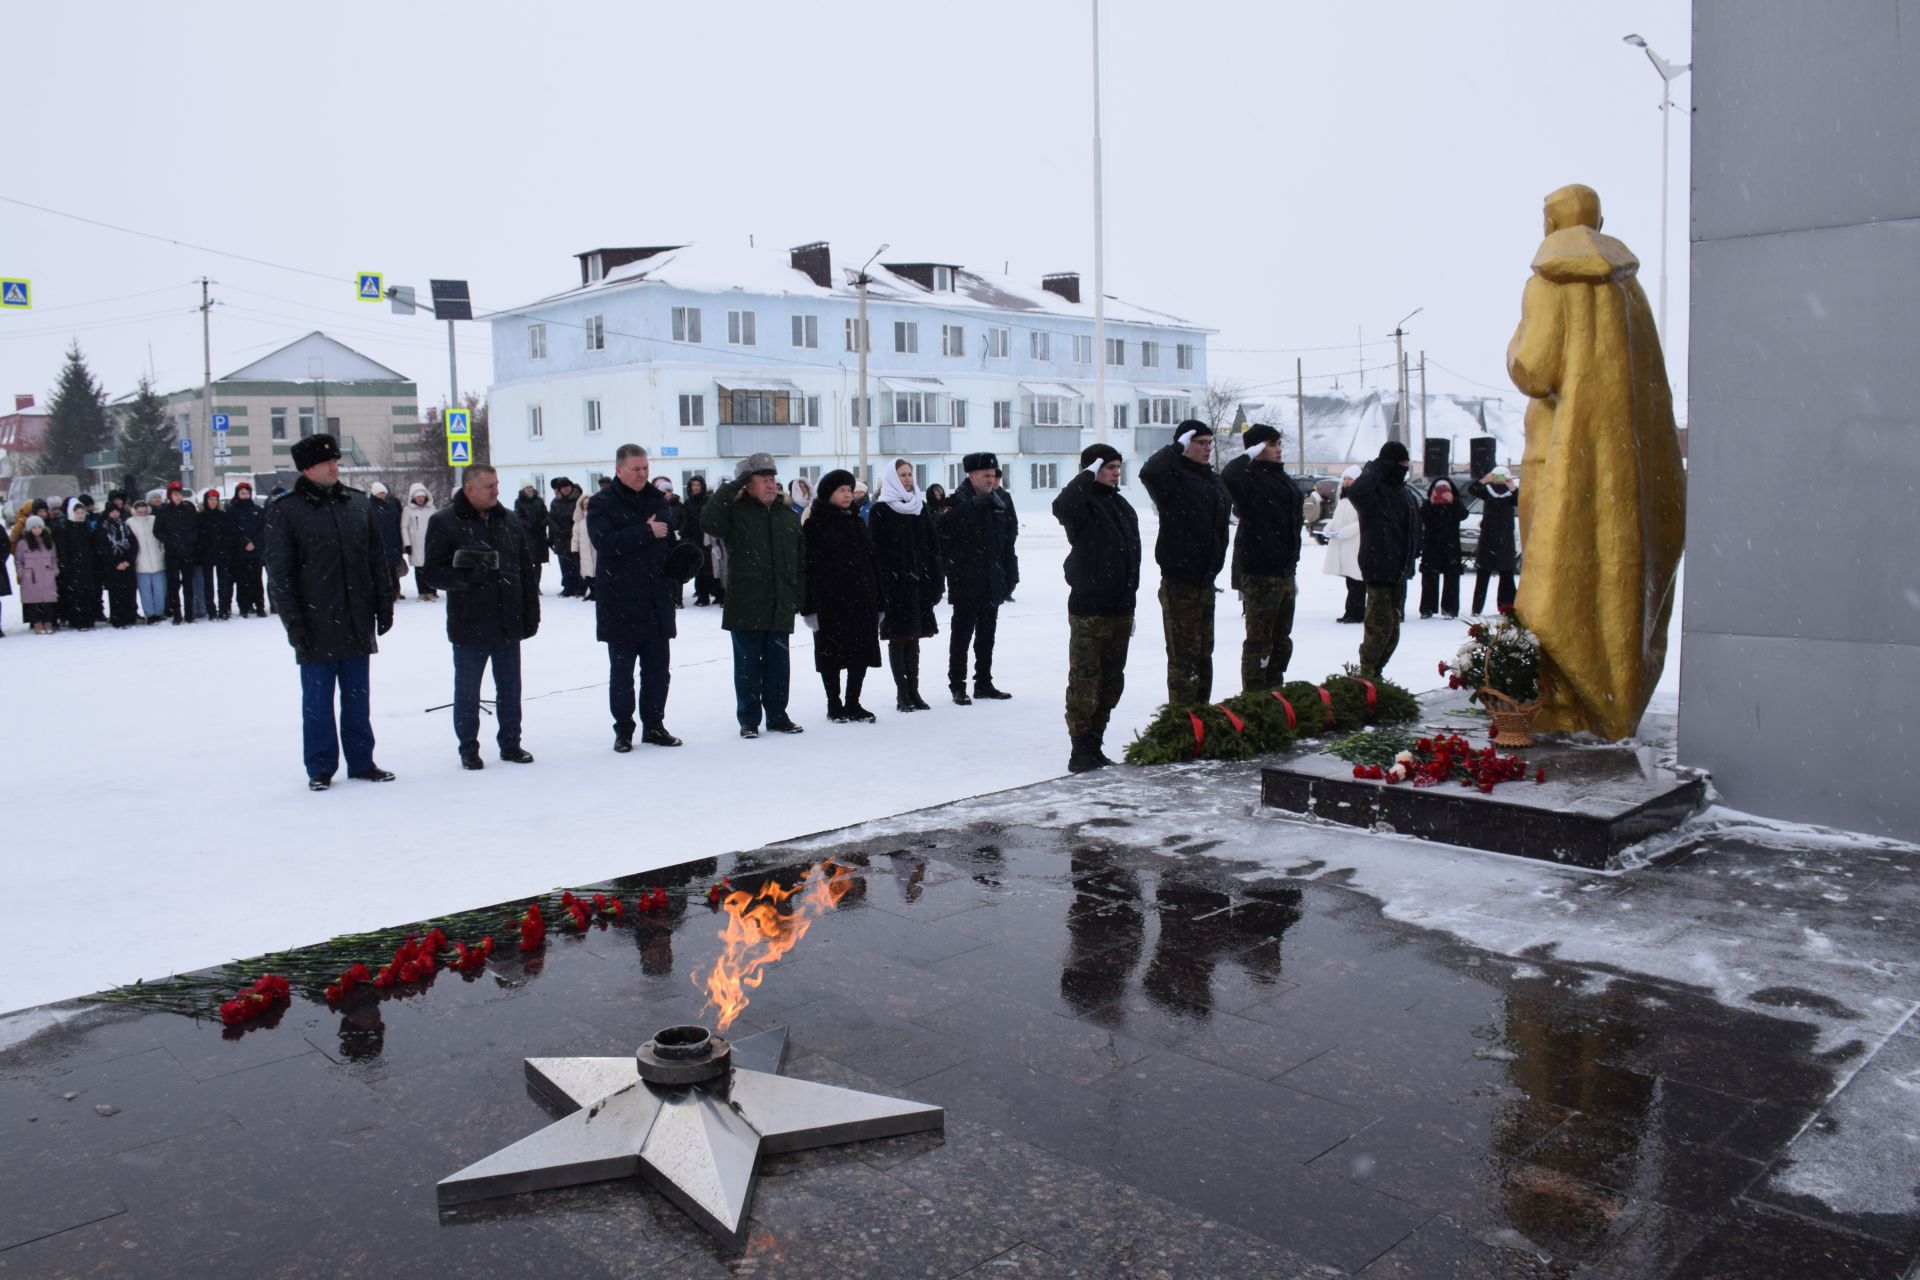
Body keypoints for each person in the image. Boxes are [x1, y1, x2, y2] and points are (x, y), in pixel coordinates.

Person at [1507, 182, 1685, 738]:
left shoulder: (1547, 283)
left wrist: (1513, 346)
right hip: (1617, 465)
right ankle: (1609, 700)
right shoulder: (1629, 293)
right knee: (1613, 572)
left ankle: (1560, 704)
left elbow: (1534, 369)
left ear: (1552, 223)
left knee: (1554, 578)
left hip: (1555, 458)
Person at [262, 434, 397, 791]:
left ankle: (362, 762)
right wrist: (294, 623)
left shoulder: (356, 504)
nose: (335, 467)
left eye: (337, 461)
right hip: (314, 620)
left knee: (357, 698)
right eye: (327, 463)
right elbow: (280, 575)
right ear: (306, 468)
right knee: (318, 701)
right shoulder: (286, 509)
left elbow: (375, 559)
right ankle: (320, 766)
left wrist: (384, 604)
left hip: (356, 617)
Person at [419, 465, 540, 770]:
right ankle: (468, 748)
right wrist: (465, 577)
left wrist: (530, 612)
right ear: (470, 489)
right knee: (468, 690)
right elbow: (432, 571)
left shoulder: (508, 519)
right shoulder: (444, 521)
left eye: (497, 484)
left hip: (508, 618)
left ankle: (511, 743)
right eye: (489, 486)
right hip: (469, 621)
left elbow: (526, 568)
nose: (496, 491)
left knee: (511, 687)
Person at [702, 452, 806, 738]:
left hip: (780, 602)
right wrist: (731, 486)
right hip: (746, 601)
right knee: (747, 665)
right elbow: (709, 521)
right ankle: (749, 719)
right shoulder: (736, 512)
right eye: (764, 479)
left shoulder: (788, 515)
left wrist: (801, 596)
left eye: (773, 479)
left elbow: (801, 561)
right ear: (748, 484)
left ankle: (778, 715)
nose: (771, 485)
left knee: (778, 664)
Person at [1052, 443, 1141, 772]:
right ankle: (1080, 748)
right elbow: (1061, 504)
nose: (1116, 472)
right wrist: (1087, 474)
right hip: (1090, 609)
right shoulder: (1083, 503)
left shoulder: (1120, 505)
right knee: (1086, 681)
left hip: (1120, 608)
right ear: (1091, 470)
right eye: (1108, 467)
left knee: (1111, 681)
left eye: (1118, 466)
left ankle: (1094, 742)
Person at [588, 445, 682, 752]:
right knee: (622, 673)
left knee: (657, 672)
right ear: (619, 470)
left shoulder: (657, 499)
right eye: (636, 469)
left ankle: (654, 726)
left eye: (645, 468)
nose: (642, 474)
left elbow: (665, 537)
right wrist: (645, 531)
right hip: (619, 600)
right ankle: (624, 730)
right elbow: (605, 543)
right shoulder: (602, 503)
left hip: (656, 599)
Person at [1138, 420, 1232, 708]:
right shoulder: (1172, 478)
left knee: (1204, 654)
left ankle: (1200, 712)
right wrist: (1175, 447)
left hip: (1206, 579)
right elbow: (1149, 471)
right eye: (1200, 442)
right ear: (1185, 443)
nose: (1207, 448)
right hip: (1181, 580)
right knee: (1184, 657)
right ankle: (1183, 718)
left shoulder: (1211, 478)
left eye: (1209, 443)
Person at [1221, 423, 1305, 692]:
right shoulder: (1248, 478)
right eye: (1271, 444)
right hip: (1260, 571)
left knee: (1282, 640)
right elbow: (1228, 476)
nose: (1279, 449)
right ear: (1257, 448)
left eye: (1278, 443)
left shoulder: (1282, 478)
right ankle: (1255, 696)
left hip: (1284, 571)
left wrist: (1291, 565)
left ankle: (1274, 689)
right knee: (1260, 641)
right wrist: (1249, 454)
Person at [936, 451, 1018, 704]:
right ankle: (957, 684)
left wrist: (1009, 573)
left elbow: (1008, 539)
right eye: (985, 475)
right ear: (971, 476)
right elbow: (942, 530)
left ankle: (983, 681)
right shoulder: (955, 501)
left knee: (987, 633)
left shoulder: (999, 500)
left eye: (993, 475)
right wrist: (969, 508)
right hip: (965, 578)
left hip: (991, 577)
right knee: (962, 633)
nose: (991, 480)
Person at [802, 469, 882, 723]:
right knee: (831, 655)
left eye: (850, 490)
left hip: (861, 599)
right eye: (842, 490)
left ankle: (853, 702)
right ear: (829, 494)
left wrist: (878, 600)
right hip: (830, 602)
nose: (848, 494)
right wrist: (809, 607)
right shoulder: (815, 524)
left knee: (860, 653)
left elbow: (871, 563)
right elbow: (807, 567)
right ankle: (834, 704)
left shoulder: (857, 521)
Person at [869, 458, 944, 712]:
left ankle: (914, 690)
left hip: (919, 584)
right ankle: (902, 694)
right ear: (892, 478)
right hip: (895, 587)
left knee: (915, 638)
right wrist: (890, 580)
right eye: (902, 475)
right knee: (899, 638)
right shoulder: (881, 510)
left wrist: (935, 578)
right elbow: (877, 553)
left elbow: (932, 546)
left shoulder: (918, 506)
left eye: (910, 474)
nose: (907, 479)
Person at [1346, 441, 1422, 677]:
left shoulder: (1403, 491)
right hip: (1379, 567)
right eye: (1400, 463)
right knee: (1378, 630)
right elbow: (1356, 492)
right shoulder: (1374, 492)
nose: (1404, 467)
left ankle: (1375, 674)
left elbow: (1410, 527)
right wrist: (1376, 467)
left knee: (1391, 632)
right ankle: (1367, 676)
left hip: (1398, 569)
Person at [1467, 469, 1520, 616]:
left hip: (1505, 539)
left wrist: (1511, 486)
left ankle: (1506, 607)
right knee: (1483, 575)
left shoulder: (1510, 494)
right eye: (1496, 476)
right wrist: (1484, 479)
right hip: (1488, 539)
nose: (1499, 479)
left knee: (1506, 576)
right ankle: (1476, 608)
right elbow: (1472, 490)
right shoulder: (1487, 491)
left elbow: (1519, 501)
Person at [1321, 465, 1367, 623]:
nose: (1346, 482)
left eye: (1350, 479)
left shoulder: (1362, 498)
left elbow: (1360, 522)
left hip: (1355, 545)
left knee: (1357, 581)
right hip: (1344, 546)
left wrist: (1343, 532)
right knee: (1350, 581)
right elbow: (1336, 519)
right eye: (1345, 479)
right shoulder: (1343, 499)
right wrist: (1329, 528)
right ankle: (1350, 611)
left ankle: (1357, 612)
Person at [1418, 479, 1469, 620]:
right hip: (1431, 546)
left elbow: (1464, 515)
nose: (1442, 491)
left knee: (1452, 579)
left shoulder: (1455, 503)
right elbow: (1421, 515)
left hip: (1451, 546)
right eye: (1439, 488)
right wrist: (1431, 502)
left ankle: (1449, 609)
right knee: (1429, 579)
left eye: (1445, 488)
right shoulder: (1428, 503)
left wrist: (1453, 501)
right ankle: (1427, 608)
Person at [154, 481, 198, 624]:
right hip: (172, 553)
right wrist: (170, 540)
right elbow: (157, 531)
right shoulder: (163, 511)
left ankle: (189, 613)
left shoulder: (189, 509)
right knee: (173, 584)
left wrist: (190, 540)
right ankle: (177, 613)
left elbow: (196, 527)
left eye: (179, 494)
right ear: (170, 496)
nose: (178, 497)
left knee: (188, 584)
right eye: (175, 494)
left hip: (187, 552)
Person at [94, 500, 140, 628]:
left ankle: (130, 616)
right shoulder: (103, 529)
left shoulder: (125, 527)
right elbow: (102, 549)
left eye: (116, 511)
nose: (114, 514)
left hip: (127, 565)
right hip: (112, 567)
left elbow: (133, 545)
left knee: (129, 592)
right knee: (116, 594)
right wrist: (115, 563)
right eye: (112, 511)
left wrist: (128, 561)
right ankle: (117, 618)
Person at [54, 499, 98, 631]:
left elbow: (93, 546)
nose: (80, 515)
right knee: (75, 594)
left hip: (87, 566)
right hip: (72, 567)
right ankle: (76, 620)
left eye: (82, 513)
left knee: (88, 593)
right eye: (77, 513)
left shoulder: (87, 527)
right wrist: (66, 566)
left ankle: (89, 618)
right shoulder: (66, 528)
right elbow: (63, 550)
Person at [228, 480, 268, 617]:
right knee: (242, 581)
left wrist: (254, 542)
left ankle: (260, 605)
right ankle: (244, 606)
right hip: (240, 552)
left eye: (247, 493)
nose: (245, 495)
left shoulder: (258, 510)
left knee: (257, 580)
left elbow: (264, 529)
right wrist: (244, 542)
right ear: (237, 494)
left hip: (256, 552)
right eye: (242, 493)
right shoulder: (232, 510)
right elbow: (232, 530)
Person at [196, 489, 235, 620]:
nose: (212, 502)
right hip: (206, 554)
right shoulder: (200, 517)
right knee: (208, 584)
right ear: (206, 500)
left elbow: (229, 534)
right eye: (210, 499)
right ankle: (211, 610)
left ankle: (223, 608)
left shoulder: (223, 516)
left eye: (215, 499)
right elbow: (198, 536)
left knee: (223, 583)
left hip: (222, 554)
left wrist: (224, 547)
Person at [14, 516, 57, 635]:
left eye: (39, 527)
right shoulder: (23, 543)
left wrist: (54, 571)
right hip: (30, 576)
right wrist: (21, 573)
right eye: (33, 527)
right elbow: (18, 560)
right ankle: (37, 623)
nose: (37, 530)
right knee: (33, 601)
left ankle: (48, 622)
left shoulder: (48, 542)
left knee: (48, 601)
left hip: (47, 574)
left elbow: (54, 558)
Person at [128, 495, 167, 624]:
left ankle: (159, 612)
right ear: (134, 511)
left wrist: (162, 552)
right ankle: (149, 614)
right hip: (141, 562)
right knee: (145, 591)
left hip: (157, 560)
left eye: (144, 512)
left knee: (160, 589)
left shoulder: (154, 520)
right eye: (139, 512)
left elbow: (161, 538)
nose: (142, 514)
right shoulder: (130, 523)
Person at [683, 476, 720, 606]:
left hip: (708, 539)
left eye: (698, 485)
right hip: (694, 540)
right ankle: (702, 595)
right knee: (698, 569)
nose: (696, 487)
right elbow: (685, 521)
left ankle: (716, 594)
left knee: (711, 569)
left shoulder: (708, 501)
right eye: (693, 485)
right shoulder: (688, 503)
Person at [368, 481, 407, 601]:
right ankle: (384, 593)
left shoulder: (392, 504)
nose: (383, 495)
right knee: (381, 570)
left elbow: (398, 521)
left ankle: (395, 592)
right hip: (379, 542)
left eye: (384, 493)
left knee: (393, 569)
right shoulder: (369, 506)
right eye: (380, 493)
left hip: (393, 540)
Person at [548, 477, 583, 596]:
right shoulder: (555, 502)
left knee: (577, 563)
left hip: (575, 536)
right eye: (563, 488)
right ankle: (568, 587)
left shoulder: (578, 500)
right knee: (564, 564)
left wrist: (571, 530)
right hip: (560, 538)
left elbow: (580, 518)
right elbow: (551, 519)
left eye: (568, 487)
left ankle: (580, 587)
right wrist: (553, 535)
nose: (566, 489)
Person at [513, 482, 550, 592]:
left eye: (530, 487)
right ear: (523, 490)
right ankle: (530, 585)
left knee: (538, 563)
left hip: (540, 536)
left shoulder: (539, 500)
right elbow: (518, 517)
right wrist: (529, 526)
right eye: (527, 488)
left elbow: (546, 514)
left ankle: (537, 585)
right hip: (527, 536)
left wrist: (543, 523)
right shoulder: (519, 502)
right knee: (528, 562)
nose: (529, 489)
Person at [402, 483, 435, 601]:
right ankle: (422, 592)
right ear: (413, 498)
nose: (420, 499)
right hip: (415, 544)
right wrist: (407, 544)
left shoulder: (431, 509)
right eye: (418, 497)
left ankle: (431, 591)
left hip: (430, 543)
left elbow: (437, 525)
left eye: (422, 497)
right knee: (419, 569)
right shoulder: (408, 510)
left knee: (430, 567)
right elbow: (404, 527)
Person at [571, 482, 597, 600]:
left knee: (596, 571)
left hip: (595, 549)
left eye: (588, 503)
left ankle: (597, 592)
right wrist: (574, 549)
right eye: (584, 504)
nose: (586, 506)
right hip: (584, 550)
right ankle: (591, 591)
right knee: (586, 573)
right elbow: (575, 536)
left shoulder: (597, 517)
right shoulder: (579, 520)